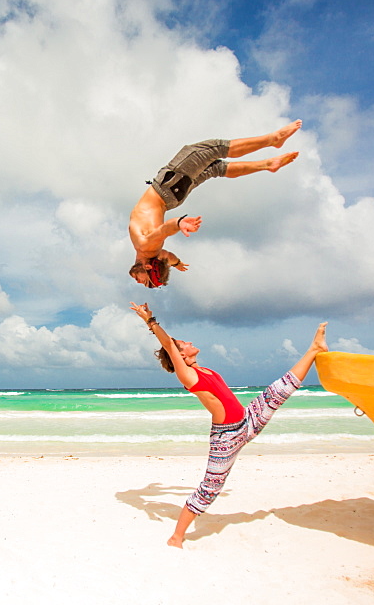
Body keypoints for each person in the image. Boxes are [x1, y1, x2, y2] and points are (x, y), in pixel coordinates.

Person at [129, 301, 328, 548]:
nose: (189, 342)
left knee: (277, 392)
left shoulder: (205, 370)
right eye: (184, 344)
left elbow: (173, 345)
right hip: (226, 438)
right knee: (210, 487)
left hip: (246, 421)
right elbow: (169, 344)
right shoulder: (188, 376)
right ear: (180, 355)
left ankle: (314, 349)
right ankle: (176, 537)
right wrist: (149, 320)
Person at [128, 121, 302, 287]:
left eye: (142, 282)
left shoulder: (158, 255)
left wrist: (178, 263)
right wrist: (179, 223)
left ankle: (267, 164)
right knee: (212, 149)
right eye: (142, 280)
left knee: (215, 169)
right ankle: (273, 139)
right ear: (149, 267)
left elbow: (170, 258)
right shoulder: (146, 246)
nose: (137, 281)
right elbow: (164, 230)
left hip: (173, 198)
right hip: (167, 188)